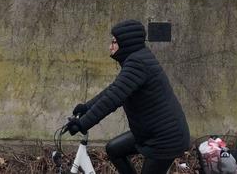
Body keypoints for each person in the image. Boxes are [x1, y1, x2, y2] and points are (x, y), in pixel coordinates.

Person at [65, 19, 190, 174]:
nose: (110, 46)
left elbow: (112, 100)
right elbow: (113, 90)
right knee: (114, 150)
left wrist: (82, 124)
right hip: (150, 133)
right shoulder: (136, 60)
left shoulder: (138, 64)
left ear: (126, 43)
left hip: (166, 139)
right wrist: (86, 107)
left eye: (114, 42)